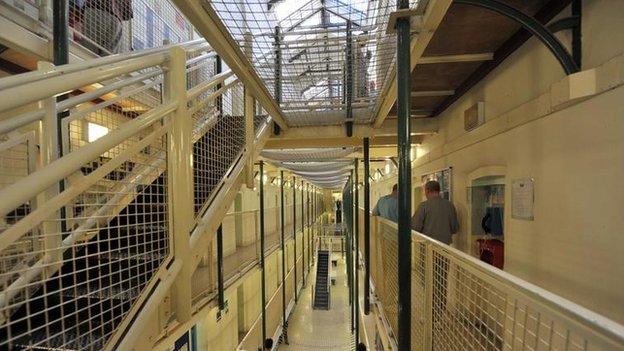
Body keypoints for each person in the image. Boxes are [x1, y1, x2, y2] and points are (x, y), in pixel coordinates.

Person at [411, 180, 459, 245]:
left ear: (427, 190)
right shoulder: (450, 205)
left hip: (427, 246)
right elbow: (455, 229)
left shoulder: (423, 206)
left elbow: (415, 227)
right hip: (445, 247)